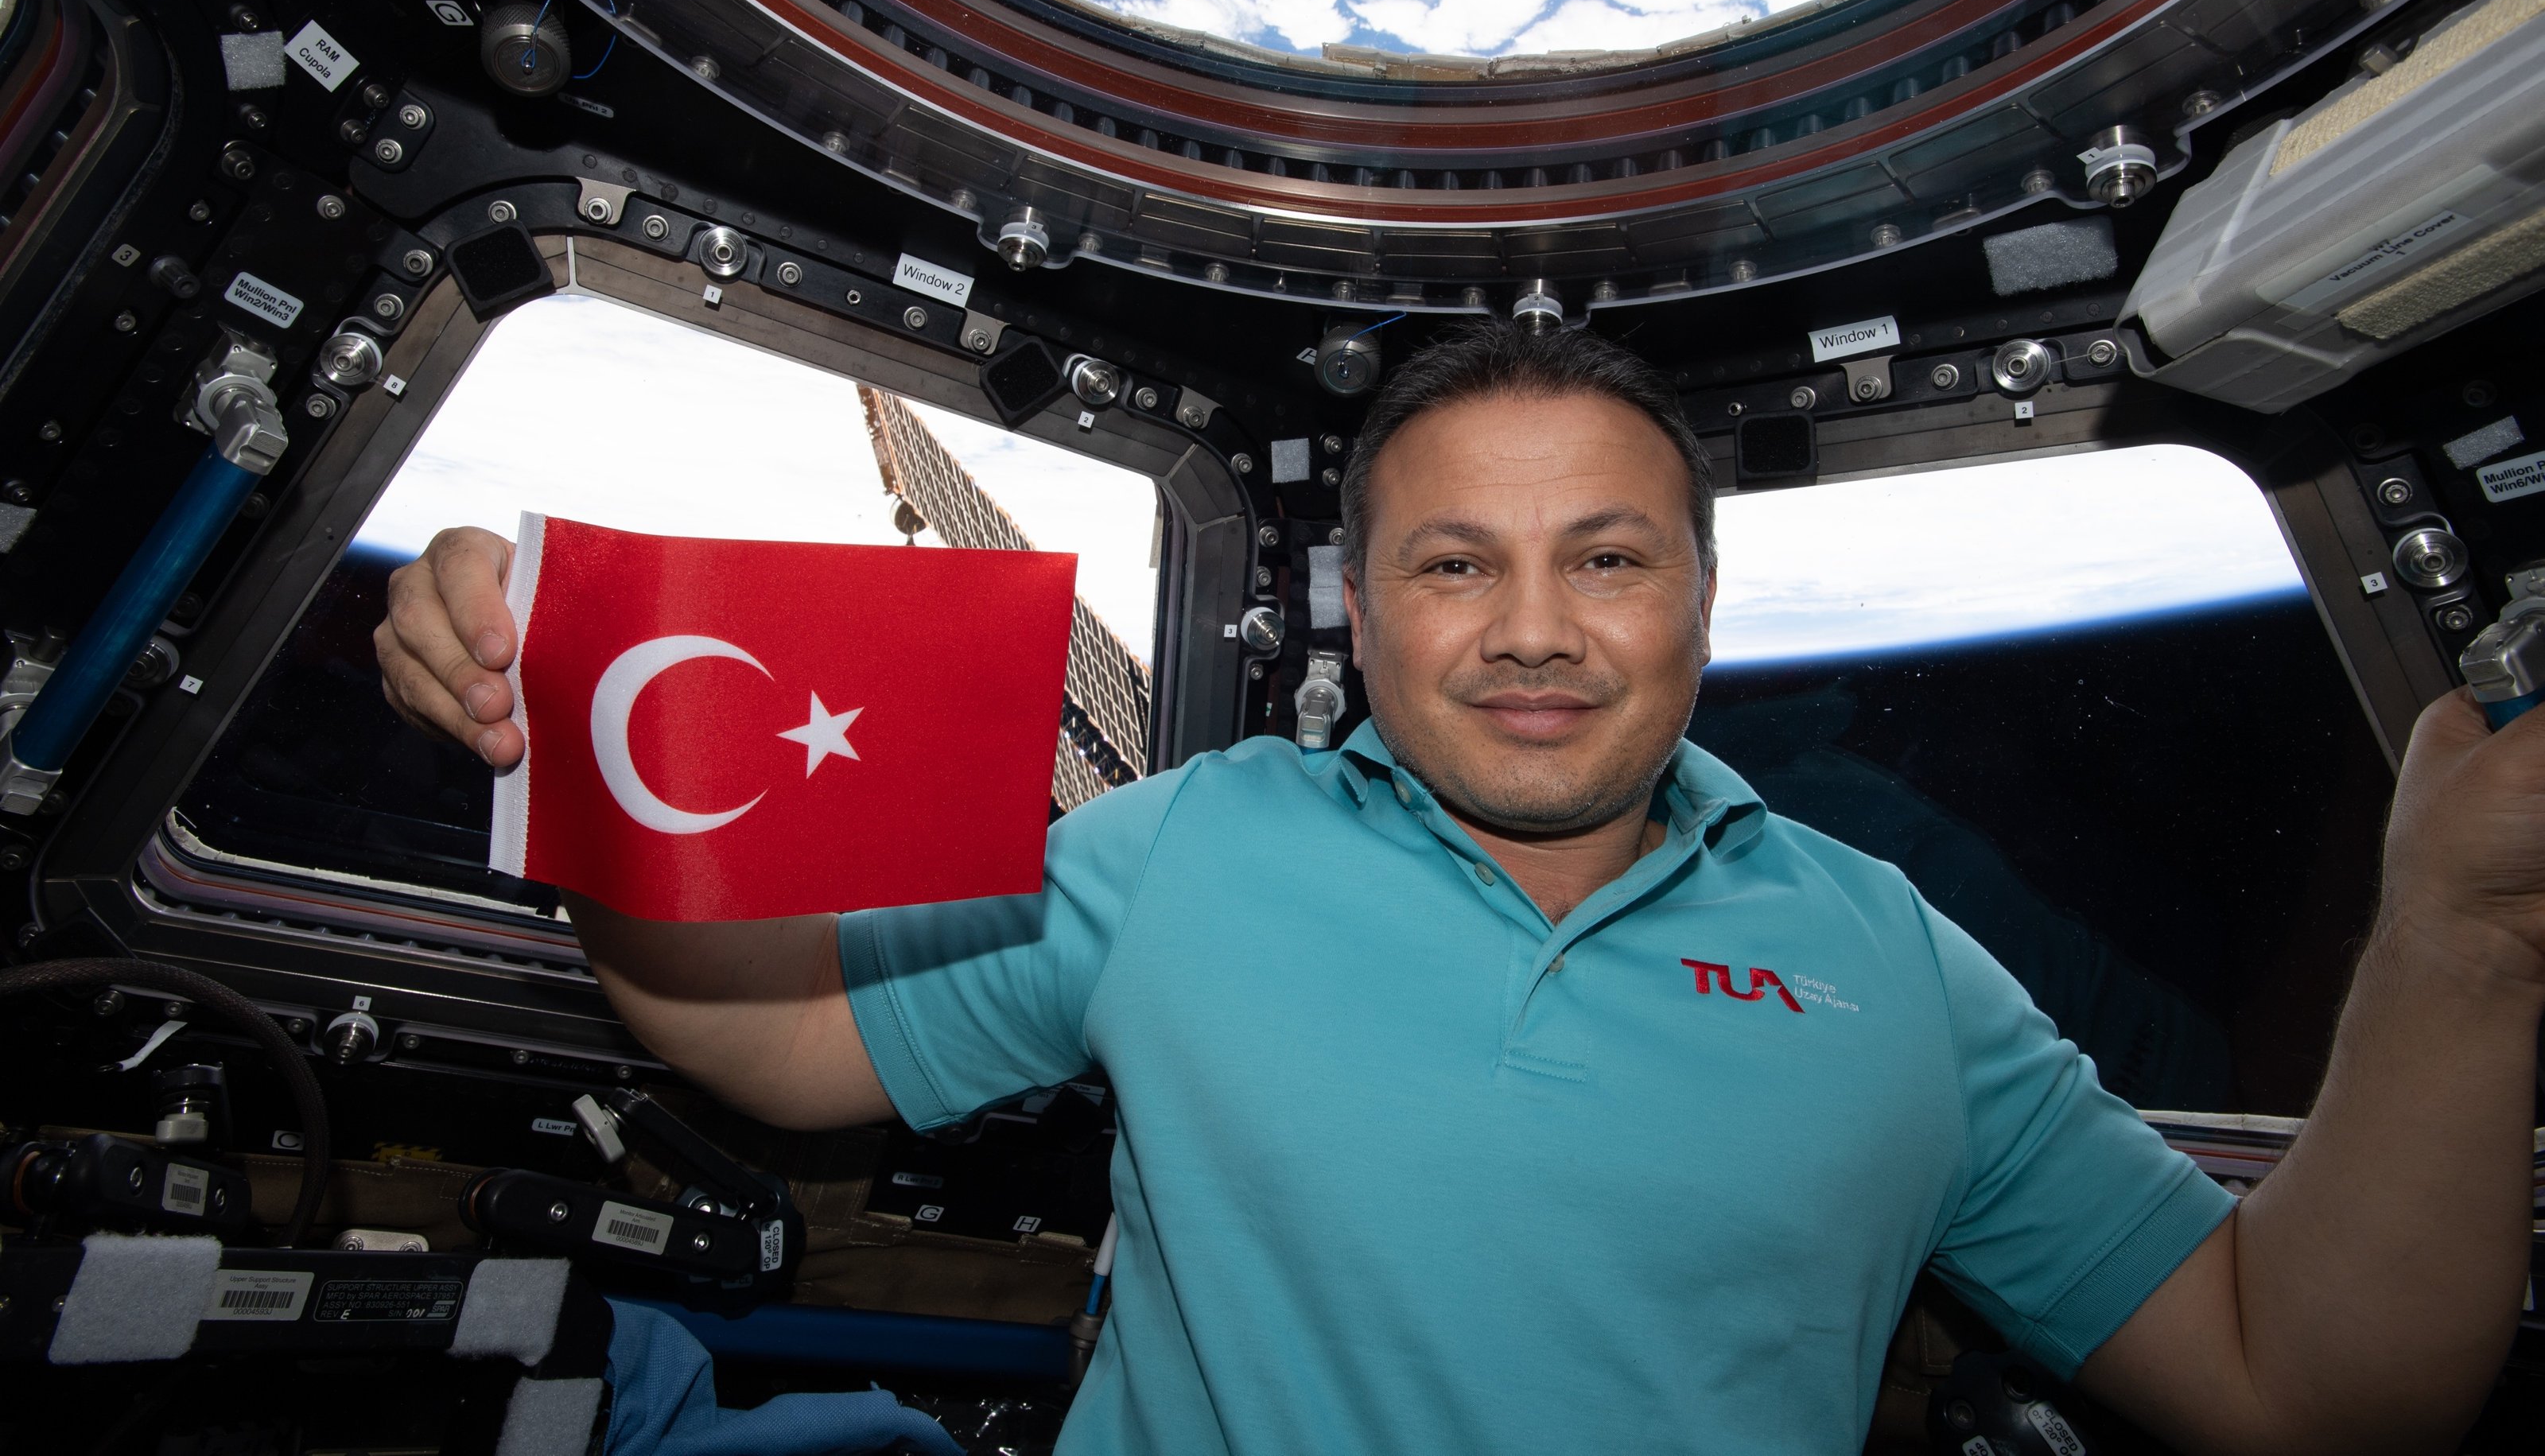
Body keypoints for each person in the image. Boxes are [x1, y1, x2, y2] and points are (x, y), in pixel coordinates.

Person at [377, 323, 2543, 1455]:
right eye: (1453, 563)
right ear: (1360, 609)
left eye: (1604, 558)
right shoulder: (1190, 849)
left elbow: (2304, 1389)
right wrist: (571, 742)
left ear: (1700, 601)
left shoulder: (1889, 957)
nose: (1532, 630)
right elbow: (765, 1036)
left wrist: (2460, 942)